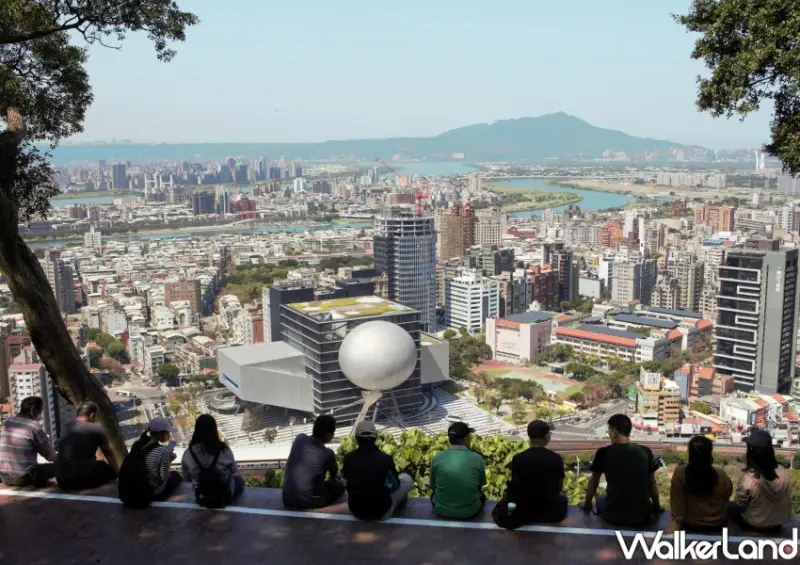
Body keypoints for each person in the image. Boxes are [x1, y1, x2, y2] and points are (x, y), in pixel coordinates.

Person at [581, 414, 661, 527]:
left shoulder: (603, 453)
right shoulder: (645, 451)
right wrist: (657, 508)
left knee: (600, 499)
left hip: (614, 516)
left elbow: (594, 482)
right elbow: (652, 483)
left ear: (614, 432)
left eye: (609, 430)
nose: (608, 433)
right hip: (642, 516)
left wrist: (587, 506)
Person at [493, 420, 567, 529]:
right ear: (546, 436)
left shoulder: (518, 458)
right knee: (563, 499)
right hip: (551, 513)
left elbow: (516, 486)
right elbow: (559, 486)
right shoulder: (555, 458)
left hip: (524, 512)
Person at [342, 421, 413, 521]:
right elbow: (395, 484)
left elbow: (345, 482)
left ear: (356, 439)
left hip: (356, 511)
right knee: (406, 478)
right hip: (381, 512)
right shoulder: (385, 459)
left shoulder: (348, 458)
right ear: (375, 438)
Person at [728, 430, 791, 534]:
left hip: (754, 525)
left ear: (751, 452)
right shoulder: (782, 470)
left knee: (729, 506)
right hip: (779, 524)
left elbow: (740, 503)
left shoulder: (748, 476)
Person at [665, 436, 732, 534]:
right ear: (709, 452)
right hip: (718, 523)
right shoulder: (720, 473)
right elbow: (727, 494)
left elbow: (677, 502)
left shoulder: (680, 472)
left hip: (692, 523)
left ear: (690, 453)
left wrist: (677, 521)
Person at [282, 415, 344, 509]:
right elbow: (334, 477)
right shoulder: (328, 454)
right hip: (308, 502)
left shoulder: (299, 438)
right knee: (339, 487)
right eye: (333, 433)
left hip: (286, 498)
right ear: (328, 435)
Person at [181, 414, 244, 503]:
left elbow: (186, 477)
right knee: (238, 479)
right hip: (224, 493)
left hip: (201, 495)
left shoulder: (188, 452)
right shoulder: (223, 449)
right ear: (214, 429)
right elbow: (234, 470)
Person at [55, 402, 118, 490]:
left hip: (61, 480)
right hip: (80, 481)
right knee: (106, 469)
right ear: (92, 415)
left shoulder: (66, 426)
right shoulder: (97, 428)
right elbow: (108, 453)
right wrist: (116, 471)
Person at [430, 422, 486, 519]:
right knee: (482, 496)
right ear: (465, 439)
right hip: (470, 512)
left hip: (442, 510)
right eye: (470, 437)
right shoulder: (477, 458)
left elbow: (433, 487)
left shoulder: (436, 459)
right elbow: (480, 486)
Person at [0, 396, 57, 487]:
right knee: (59, 466)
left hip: (4, 477)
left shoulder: (7, 422)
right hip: (24, 478)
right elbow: (49, 456)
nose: (40, 414)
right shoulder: (33, 425)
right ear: (33, 410)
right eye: (40, 411)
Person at [130, 417, 182, 500]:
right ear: (163, 433)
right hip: (152, 491)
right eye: (167, 432)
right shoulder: (162, 451)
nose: (169, 434)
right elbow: (165, 478)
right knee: (176, 475)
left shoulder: (137, 444)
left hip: (135, 488)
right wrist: (168, 461)